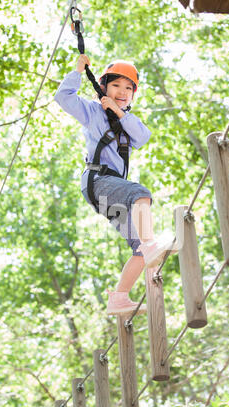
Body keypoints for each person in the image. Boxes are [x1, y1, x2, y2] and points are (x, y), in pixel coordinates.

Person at [54, 54, 177, 315]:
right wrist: (77, 71)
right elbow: (63, 98)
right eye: (116, 86)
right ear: (104, 88)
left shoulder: (127, 124)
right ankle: (151, 244)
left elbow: (143, 136)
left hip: (111, 192)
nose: (122, 92)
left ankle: (119, 297)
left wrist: (118, 111)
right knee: (140, 194)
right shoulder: (92, 112)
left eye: (128, 88)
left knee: (139, 249)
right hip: (98, 181)